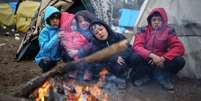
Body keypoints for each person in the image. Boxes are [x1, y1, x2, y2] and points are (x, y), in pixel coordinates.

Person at [131, 8, 185, 90]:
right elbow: (137, 46)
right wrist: (151, 55)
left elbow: (179, 47)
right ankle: (146, 75)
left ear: (163, 21)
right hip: (147, 60)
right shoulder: (144, 30)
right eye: (154, 20)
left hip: (161, 62)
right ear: (150, 21)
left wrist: (163, 58)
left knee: (180, 61)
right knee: (134, 57)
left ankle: (164, 76)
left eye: (159, 20)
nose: (156, 22)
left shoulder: (169, 31)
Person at [60, 12, 92, 80]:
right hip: (75, 51)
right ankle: (75, 70)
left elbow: (85, 42)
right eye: (80, 22)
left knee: (87, 57)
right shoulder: (68, 34)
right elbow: (65, 43)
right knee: (67, 54)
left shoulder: (93, 29)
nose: (83, 23)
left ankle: (88, 71)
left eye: (85, 20)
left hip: (86, 51)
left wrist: (79, 50)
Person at [35, 6, 62, 72]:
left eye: (57, 18)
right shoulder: (44, 32)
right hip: (44, 58)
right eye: (52, 19)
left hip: (56, 58)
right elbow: (45, 48)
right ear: (48, 20)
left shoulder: (60, 29)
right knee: (47, 66)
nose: (55, 20)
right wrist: (56, 37)